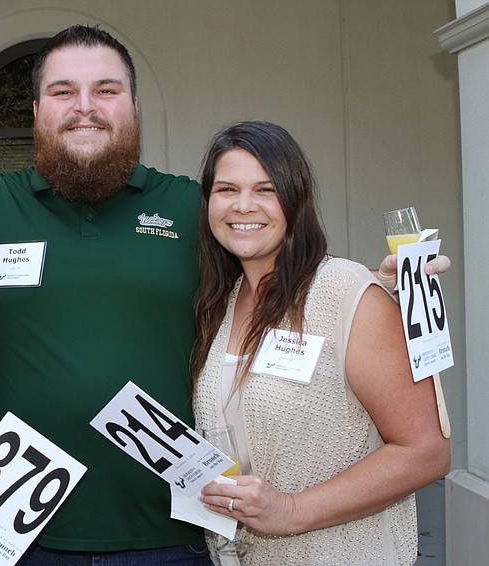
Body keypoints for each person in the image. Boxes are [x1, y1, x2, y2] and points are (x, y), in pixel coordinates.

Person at [0, 26, 449, 565]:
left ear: (133, 108)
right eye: (63, 91)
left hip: (176, 533)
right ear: (36, 110)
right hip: (16, 536)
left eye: (106, 90)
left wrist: (380, 287)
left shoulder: (192, 208)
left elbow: (277, 261)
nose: (84, 107)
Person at [192, 121, 451, 565]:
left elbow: (426, 452)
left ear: (295, 199)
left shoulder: (346, 292)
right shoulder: (221, 302)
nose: (243, 205)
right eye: (227, 189)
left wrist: (291, 511)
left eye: (266, 190)